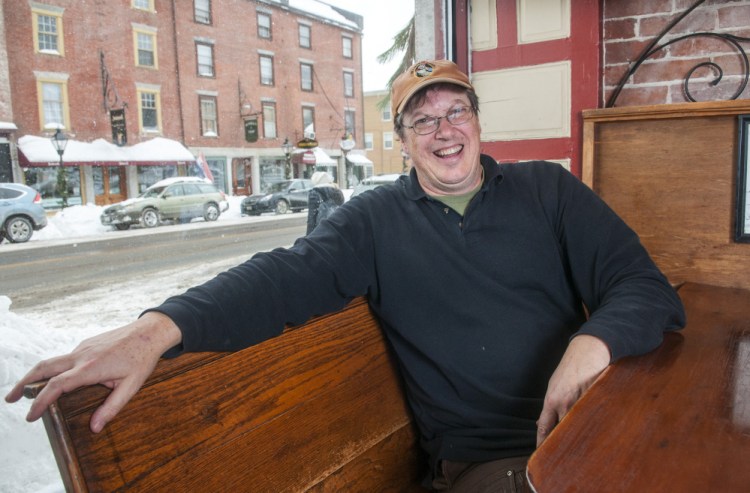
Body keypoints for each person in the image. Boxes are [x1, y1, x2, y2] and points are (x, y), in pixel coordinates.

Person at [6, 60, 685, 492]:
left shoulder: (549, 191)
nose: (443, 129)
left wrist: (589, 345)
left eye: (455, 112)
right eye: (422, 119)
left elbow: (644, 286)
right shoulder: (374, 221)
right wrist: (157, 329)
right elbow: (282, 276)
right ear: (402, 137)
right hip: (504, 463)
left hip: (599, 424)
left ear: (477, 121)